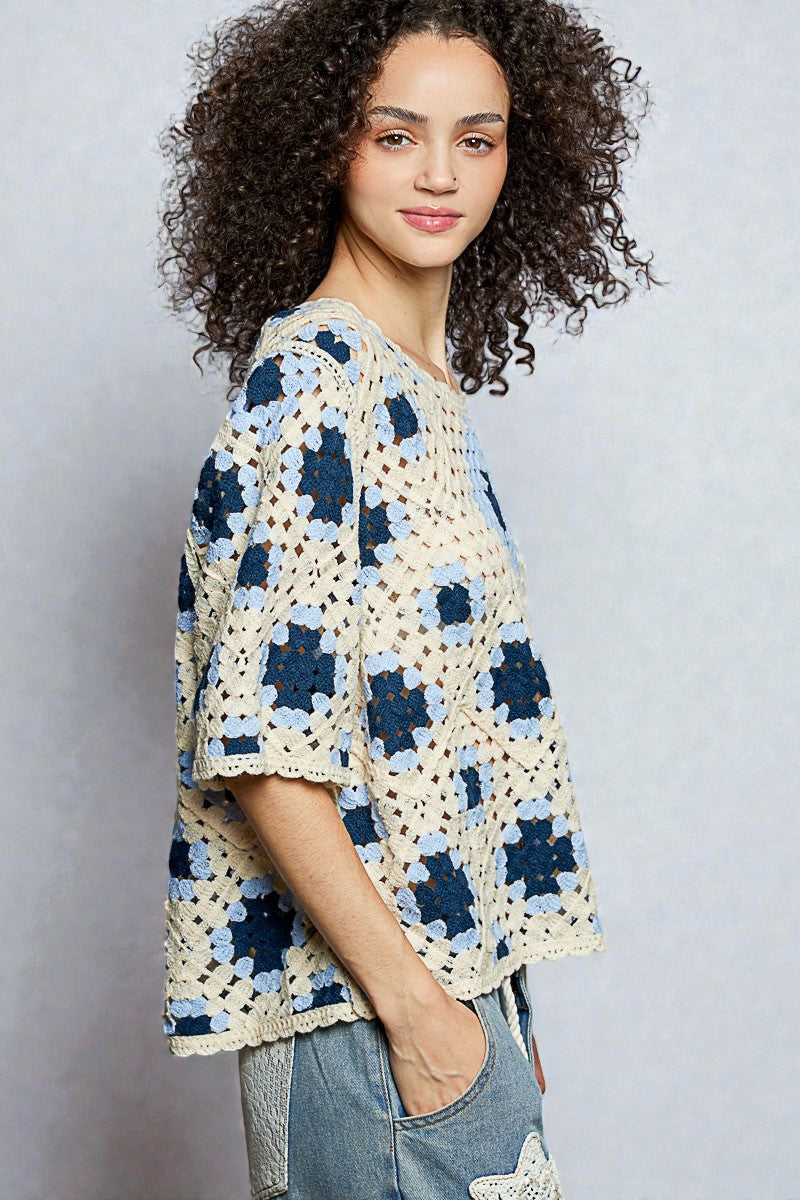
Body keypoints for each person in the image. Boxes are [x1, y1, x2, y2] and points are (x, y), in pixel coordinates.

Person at [156, 2, 655, 1196]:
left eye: (475, 140)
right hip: (366, 1018)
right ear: (321, 146)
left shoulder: (413, 388)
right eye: (394, 135)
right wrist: (420, 1015)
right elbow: (266, 749)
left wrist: (488, 1010)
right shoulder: (317, 387)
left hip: (447, 994)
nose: (439, 173)